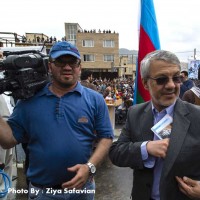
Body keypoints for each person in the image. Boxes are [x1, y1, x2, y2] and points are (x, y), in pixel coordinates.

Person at [0, 41, 114, 200]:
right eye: (60, 61)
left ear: (79, 67)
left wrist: (90, 167)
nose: (67, 67)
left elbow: (106, 137)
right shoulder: (28, 101)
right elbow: (8, 140)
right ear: (50, 66)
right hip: (42, 193)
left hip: (82, 191)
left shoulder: (95, 100)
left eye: (72, 62)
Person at [109, 50, 200, 200]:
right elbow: (116, 153)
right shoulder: (135, 113)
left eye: (176, 78)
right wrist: (146, 148)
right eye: (161, 79)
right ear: (145, 83)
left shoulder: (197, 116)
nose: (171, 85)